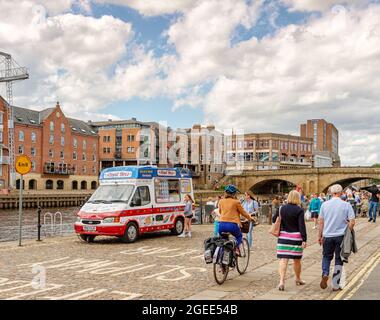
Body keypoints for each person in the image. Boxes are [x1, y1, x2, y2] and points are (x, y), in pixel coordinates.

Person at [318, 184, 355, 291]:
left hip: (327, 235)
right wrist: (348, 230)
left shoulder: (324, 205)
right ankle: (335, 284)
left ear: (331, 192)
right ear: (341, 193)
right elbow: (352, 222)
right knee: (339, 259)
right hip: (341, 236)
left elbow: (321, 222)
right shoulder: (346, 205)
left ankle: (325, 273)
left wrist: (319, 236)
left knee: (326, 256)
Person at [272, 190, 307, 291]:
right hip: (295, 238)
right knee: (297, 260)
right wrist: (304, 239)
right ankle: (298, 278)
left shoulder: (281, 208)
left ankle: (282, 281)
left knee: (283, 260)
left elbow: (274, 220)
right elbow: (301, 226)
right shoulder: (299, 210)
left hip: (283, 237)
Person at [218, 185, 255, 253]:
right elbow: (243, 213)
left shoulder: (221, 201)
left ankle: (221, 255)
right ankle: (235, 248)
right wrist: (250, 218)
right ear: (234, 193)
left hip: (221, 225)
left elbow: (220, 212)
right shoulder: (236, 202)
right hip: (232, 225)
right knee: (239, 237)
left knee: (223, 240)